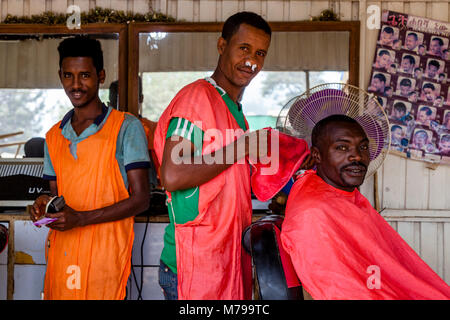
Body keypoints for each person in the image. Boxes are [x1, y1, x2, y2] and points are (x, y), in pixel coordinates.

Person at [153, 11, 272, 300]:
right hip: (193, 262)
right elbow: (172, 174)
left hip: (223, 258)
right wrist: (240, 148)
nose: (251, 61)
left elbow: (230, 179)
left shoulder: (236, 112)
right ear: (222, 46)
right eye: (243, 48)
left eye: (260, 53)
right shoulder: (197, 98)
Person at [29, 36, 151, 300]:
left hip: (105, 259)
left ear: (101, 76)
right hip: (63, 255)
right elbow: (57, 197)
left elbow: (141, 199)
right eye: (68, 75)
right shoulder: (54, 136)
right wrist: (44, 205)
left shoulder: (126, 128)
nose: (76, 85)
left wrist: (81, 219)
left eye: (85, 75)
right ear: (60, 76)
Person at [280, 114, 450, 299]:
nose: (358, 156)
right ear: (317, 156)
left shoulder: (345, 196)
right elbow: (342, 290)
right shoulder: (313, 214)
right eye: (342, 147)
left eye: (363, 147)